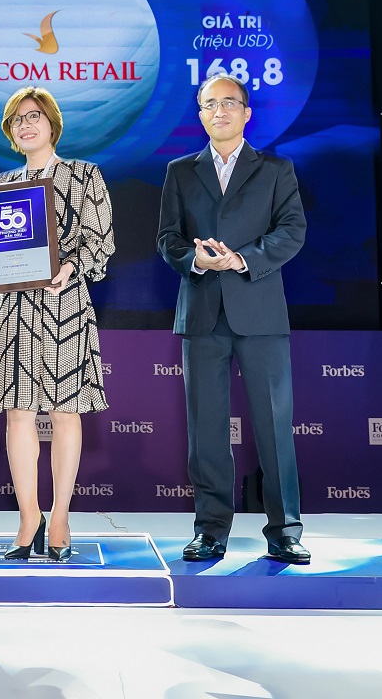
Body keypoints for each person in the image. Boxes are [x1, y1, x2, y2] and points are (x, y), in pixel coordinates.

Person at [156, 73, 310, 565]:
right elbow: (168, 239)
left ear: (246, 112)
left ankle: (285, 530)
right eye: (209, 104)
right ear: (200, 115)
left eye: (228, 103)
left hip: (259, 310)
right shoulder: (181, 171)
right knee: (206, 429)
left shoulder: (276, 169)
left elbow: (292, 230)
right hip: (202, 312)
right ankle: (209, 529)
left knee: (274, 426)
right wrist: (198, 261)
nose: (218, 111)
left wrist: (242, 258)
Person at [0, 86, 114, 563]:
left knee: (66, 414)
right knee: (18, 415)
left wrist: (70, 267)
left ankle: (61, 517)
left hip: (65, 305)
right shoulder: (2, 184)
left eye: (34, 116)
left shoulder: (84, 175)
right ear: (10, 132)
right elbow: (1, 254)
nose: (26, 125)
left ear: (52, 124)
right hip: (16, 308)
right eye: (17, 120)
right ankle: (29, 518)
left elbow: (101, 244)